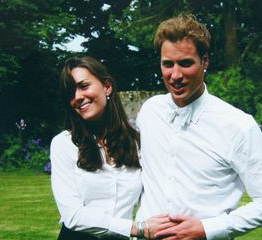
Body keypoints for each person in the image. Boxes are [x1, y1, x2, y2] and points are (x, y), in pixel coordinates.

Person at [135, 14, 262, 239]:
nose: (175, 75)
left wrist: (207, 229)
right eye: (168, 64)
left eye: (186, 63)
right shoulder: (149, 111)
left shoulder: (238, 126)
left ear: (205, 61)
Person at [50, 56, 172, 240]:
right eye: (70, 93)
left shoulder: (136, 143)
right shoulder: (64, 144)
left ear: (107, 87)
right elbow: (72, 215)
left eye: (84, 86)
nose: (77, 97)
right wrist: (137, 229)